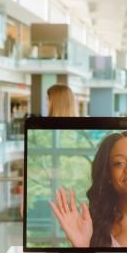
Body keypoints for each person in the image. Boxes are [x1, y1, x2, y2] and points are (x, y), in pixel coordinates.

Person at [21, 83, 77, 218]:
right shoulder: (77, 132)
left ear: (56, 103)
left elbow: (29, 167)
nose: (46, 104)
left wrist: (24, 201)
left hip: (47, 191)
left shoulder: (39, 131)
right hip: (66, 191)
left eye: (48, 100)